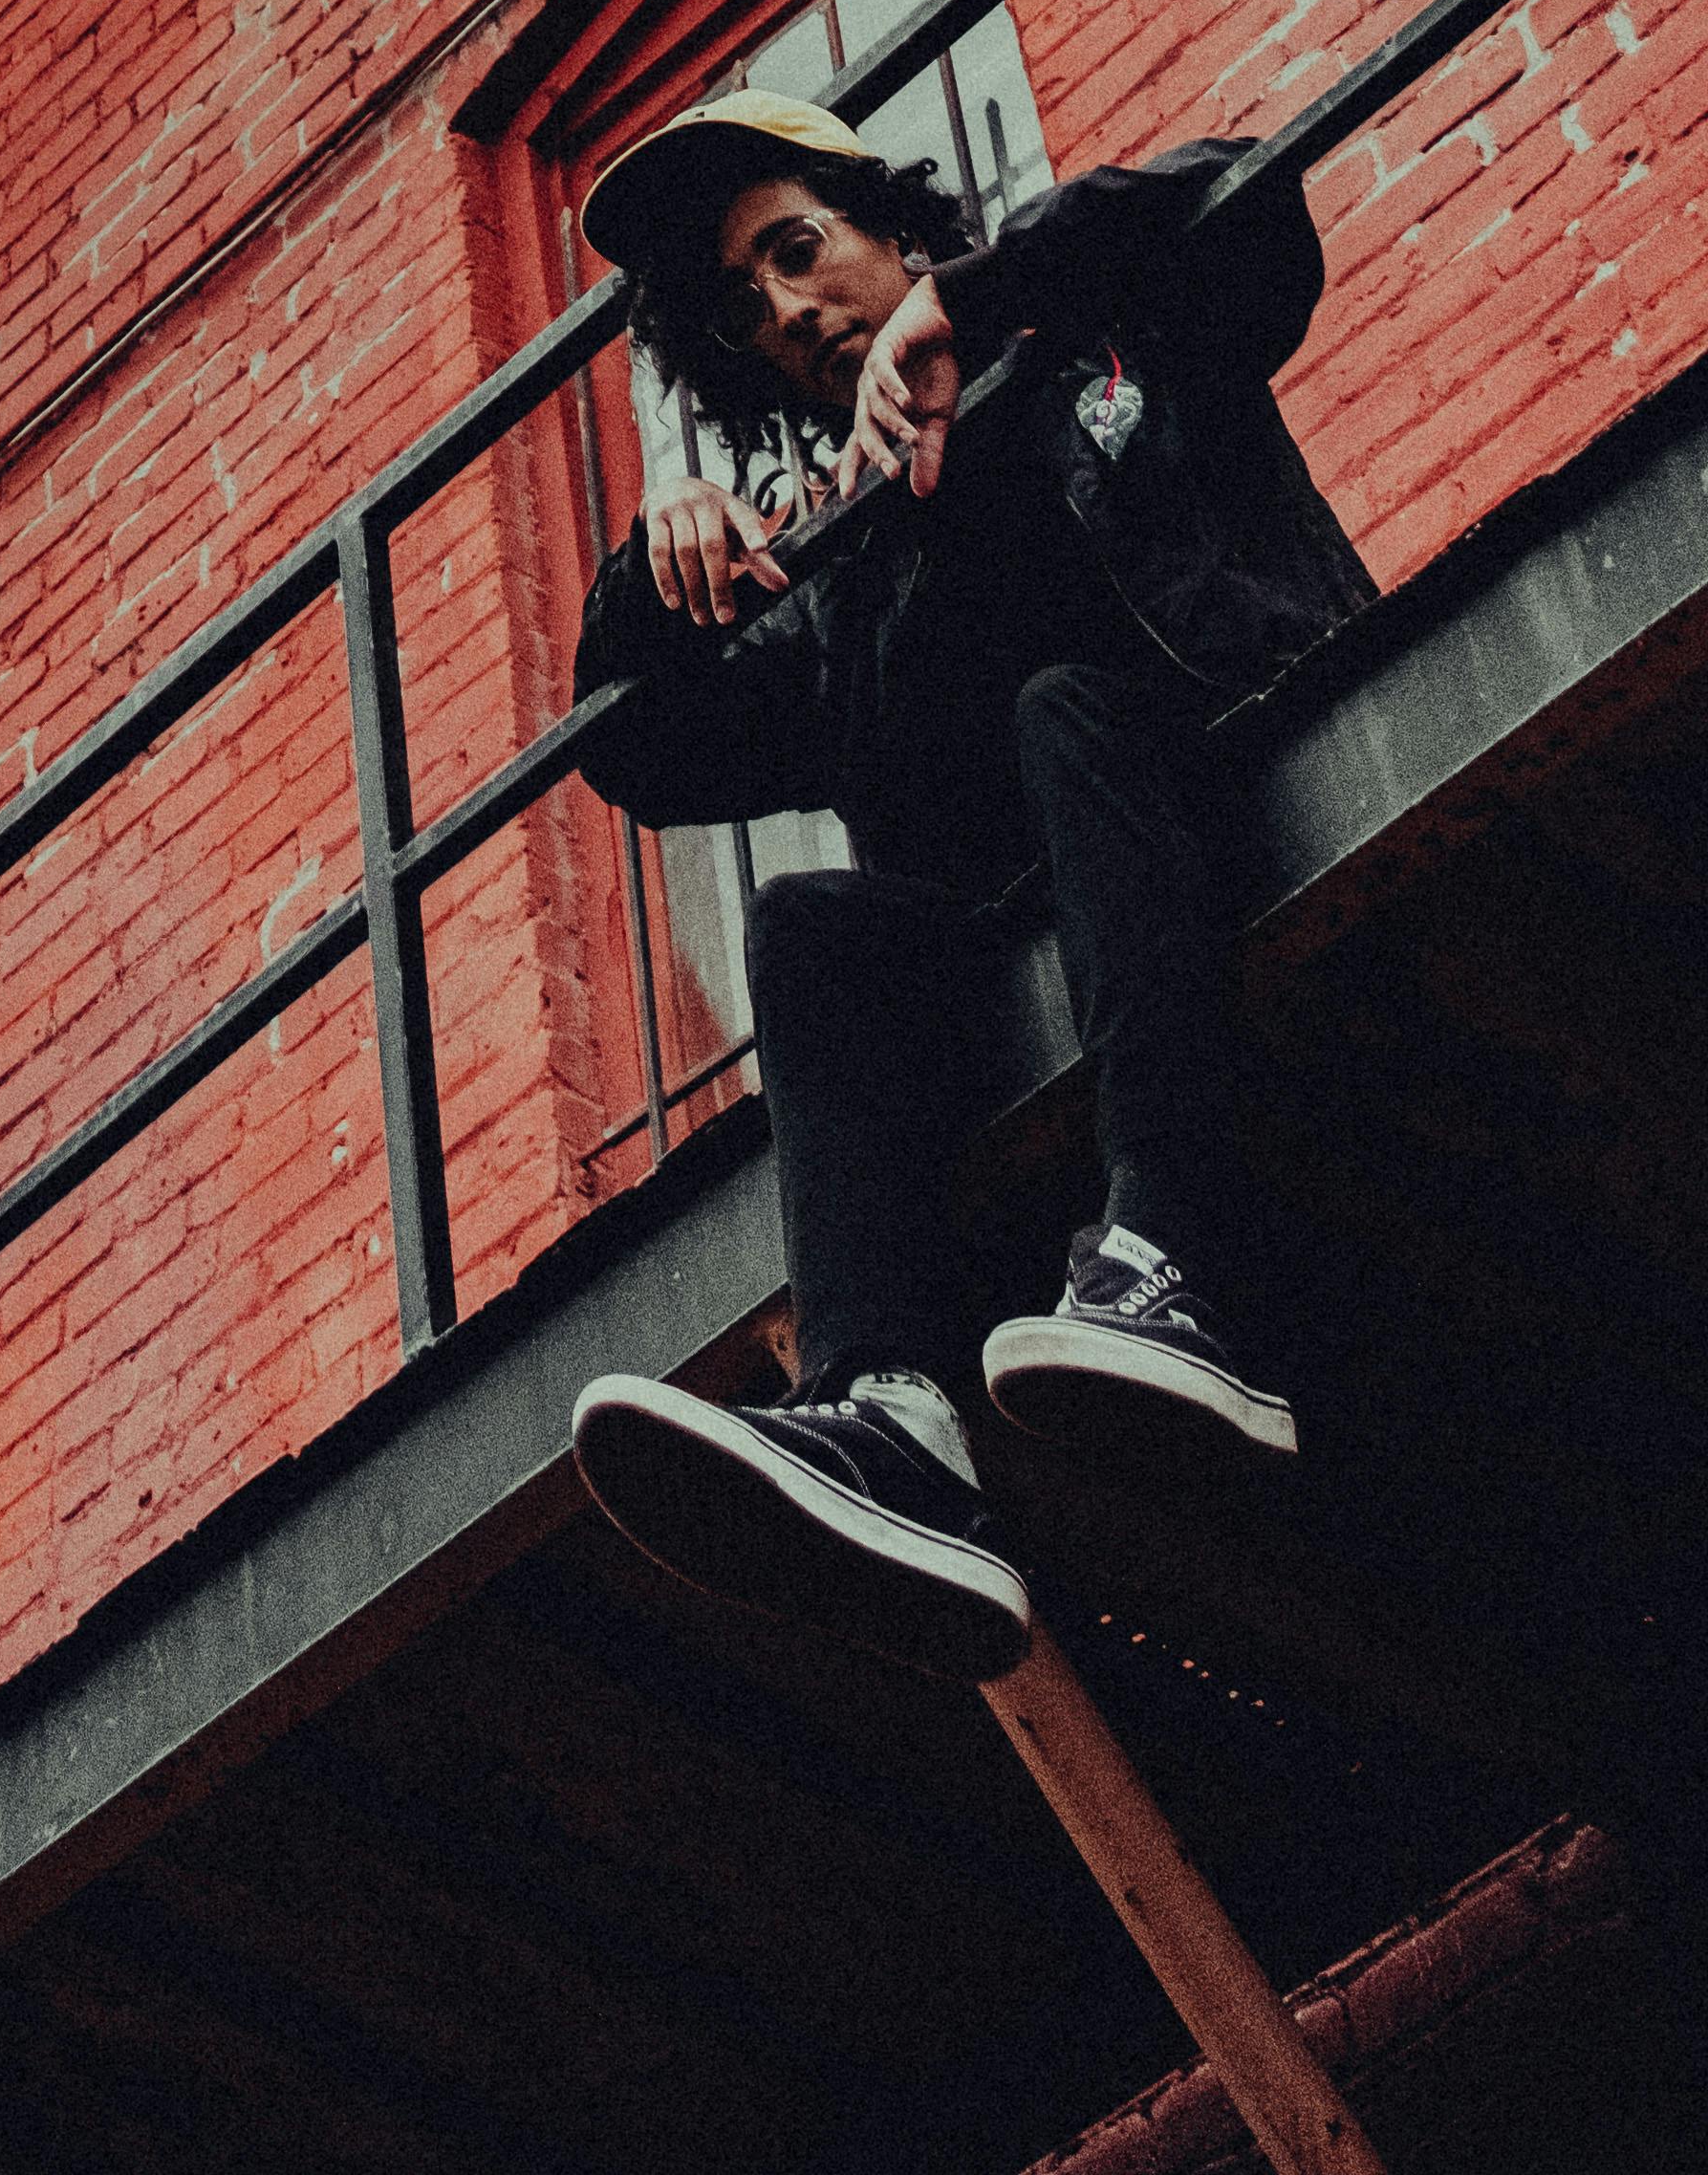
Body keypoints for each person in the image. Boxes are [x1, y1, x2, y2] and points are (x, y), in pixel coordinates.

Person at [553, 86, 1373, 1670]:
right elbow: (648, 750)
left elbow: (1246, 193)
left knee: (1062, 710)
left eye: (800, 248)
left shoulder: (1111, 342)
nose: (788, 308)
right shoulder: (847, 561)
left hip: (1232, 782)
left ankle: (1177, 1266)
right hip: (1040, 941)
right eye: (746, 303)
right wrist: (661, 576)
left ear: (896, 230)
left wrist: (976, 303)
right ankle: (892, 1423)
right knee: (810, 924)